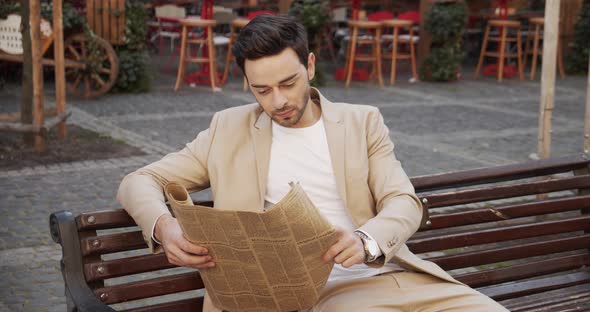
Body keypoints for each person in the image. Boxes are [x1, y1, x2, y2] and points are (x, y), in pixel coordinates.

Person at [117, 14, 507, 312]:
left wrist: (365, 240)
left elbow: (404, 202)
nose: (278, 101)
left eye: (288, 83)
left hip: (389, 276)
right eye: (262, 90)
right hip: (309, 297)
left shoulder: (361, 122)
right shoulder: (228, 129)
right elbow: (139, 179)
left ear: (311, 66)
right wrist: (163, 226)